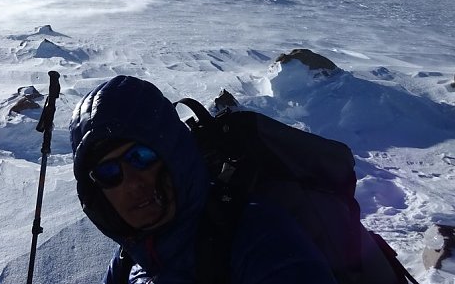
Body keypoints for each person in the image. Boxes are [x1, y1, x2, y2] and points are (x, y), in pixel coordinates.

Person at [69, 75, 338, 284]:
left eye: (142, 156)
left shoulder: (260, 239)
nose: (132, 183)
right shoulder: (129, 259)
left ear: (174, 153)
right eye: (108, 172)